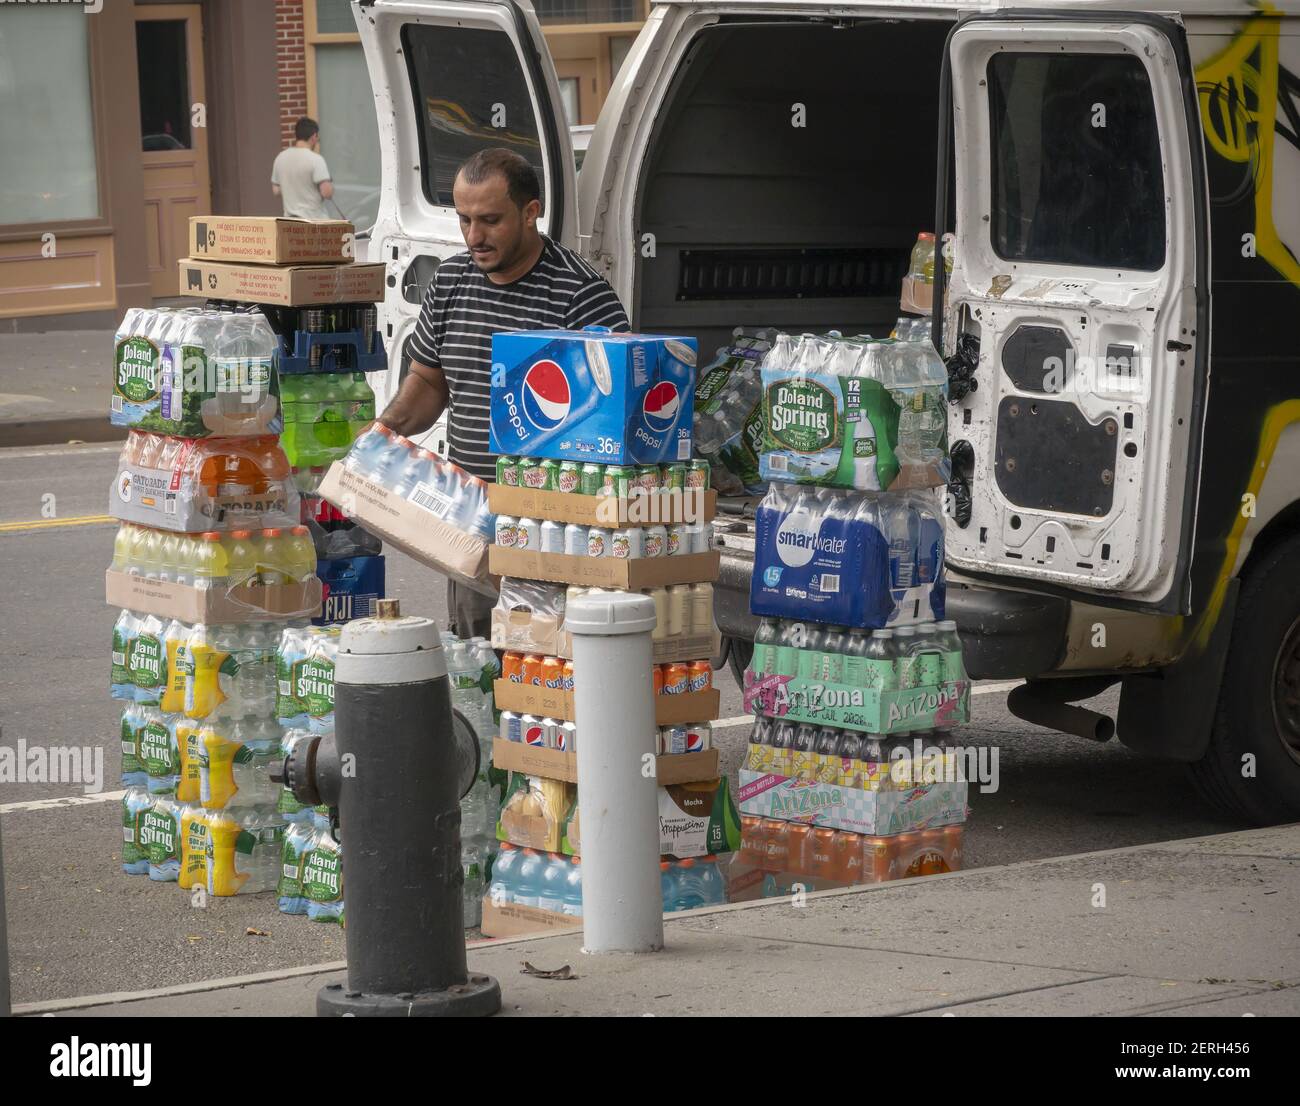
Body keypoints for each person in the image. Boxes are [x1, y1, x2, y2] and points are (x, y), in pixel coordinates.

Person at [379, 147, 630, 637]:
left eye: (490, 220)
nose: (475, 236)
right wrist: (381, 434)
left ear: (531, 211)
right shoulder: (450, 282)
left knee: (552, 674)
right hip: (474, 523)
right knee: (478, 667)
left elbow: (616, 420)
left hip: (556, 532)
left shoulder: (580, 294)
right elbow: (429, 382)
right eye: (464, 219)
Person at [271, 117, 334, 220]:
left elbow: (276, 191)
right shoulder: (316, 159)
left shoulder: (280, 158)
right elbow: (326, 193)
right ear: (314, 136)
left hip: (291, 224)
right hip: (315, 223)